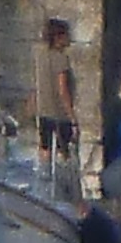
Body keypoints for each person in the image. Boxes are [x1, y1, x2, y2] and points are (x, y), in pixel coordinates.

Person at [34, 17, 81, 178]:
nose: (70, 38)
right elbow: (63, 90)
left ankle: (44, 179)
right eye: (67, 35)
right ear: (58, 37)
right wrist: (72, 117)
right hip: (60, 114)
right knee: (65, 154)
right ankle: (65, 184)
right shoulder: (61, 58)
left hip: (44, 111)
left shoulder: (41, 55)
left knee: (45, 147)